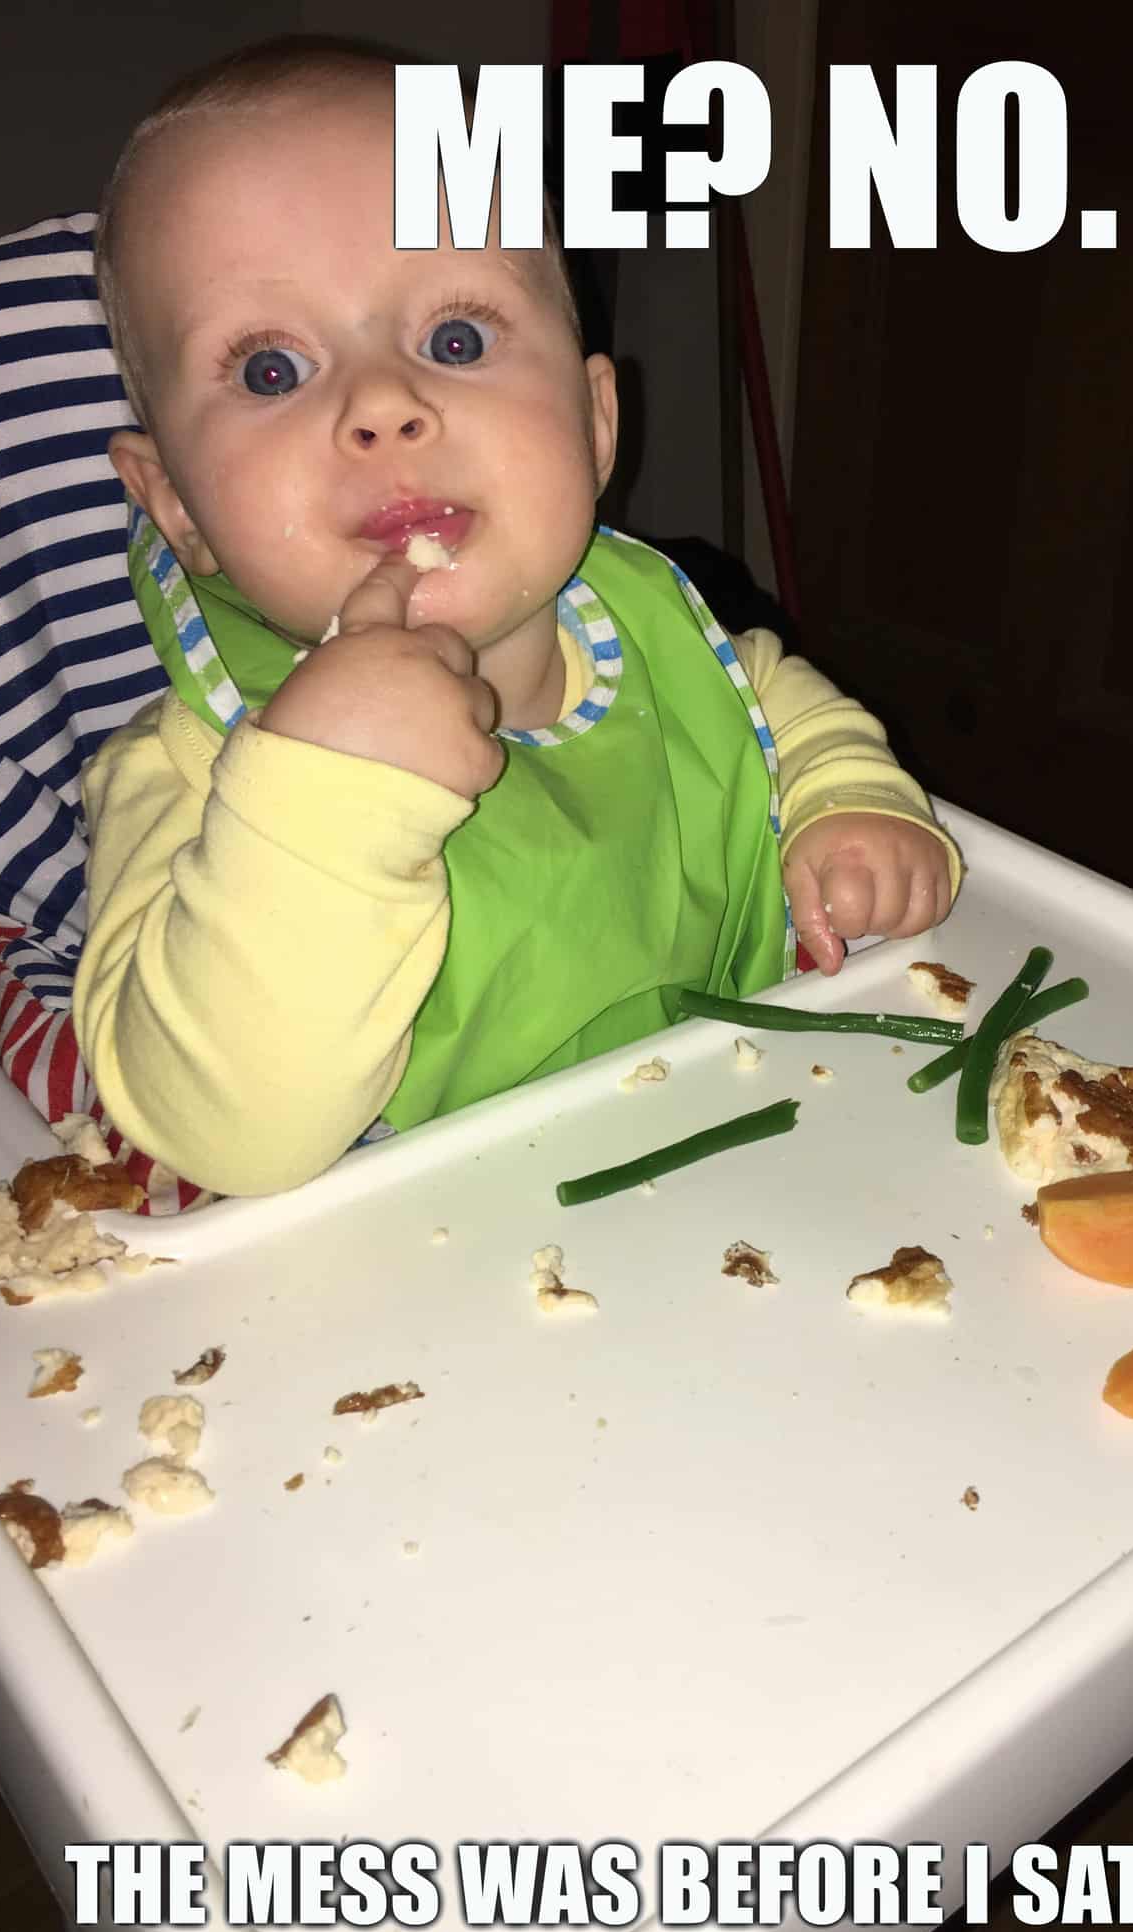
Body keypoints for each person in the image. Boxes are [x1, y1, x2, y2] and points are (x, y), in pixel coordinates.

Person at [72, 38, 960, 1198]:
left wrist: (849, 807)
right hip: (428, 1276)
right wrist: (326, 795)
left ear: (595, 421)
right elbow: (227, 1133)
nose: (383, 405)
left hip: (755, 1169)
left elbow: (775, 710)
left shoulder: (666, 643)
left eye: (456, 339)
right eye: (271, 371)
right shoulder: (196, 775)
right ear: (177, 505)